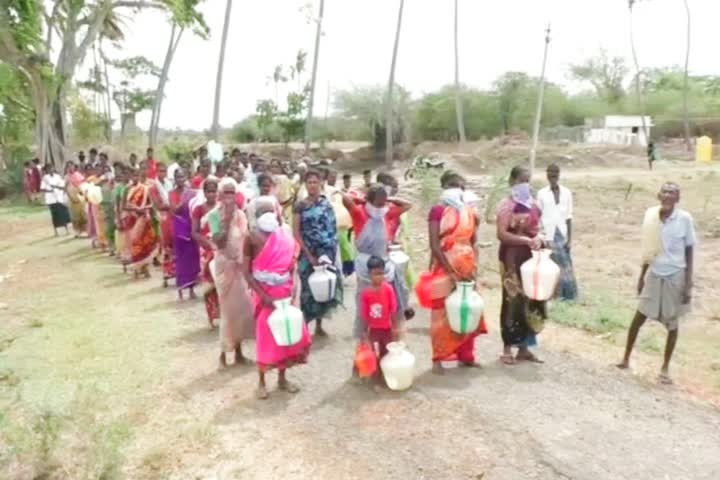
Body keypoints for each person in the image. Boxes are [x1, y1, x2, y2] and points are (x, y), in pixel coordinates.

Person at [617, 182, 695, 385]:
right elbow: (648, 248)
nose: (668, 195)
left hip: (675, 275)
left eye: (672, 193)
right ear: (658, 195)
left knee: (672, 323)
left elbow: (689, 250)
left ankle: (665, 369)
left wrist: (688, 283)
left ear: (677, 198)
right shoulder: (651, 217)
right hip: (654, 273)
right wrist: (641, 276)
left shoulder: (684, 219)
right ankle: (625, 358)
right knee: (639, 317)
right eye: (665, 191)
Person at [243, 200, 311, 400]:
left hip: (284, 293)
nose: (267, 214)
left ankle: (282, 378)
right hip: (264, 295)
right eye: (262, 211)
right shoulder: (250, 237)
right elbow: (245, 272)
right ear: (256, 215)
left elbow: (291, 265)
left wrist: (293, 287)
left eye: (270, 211)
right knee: (266, 337)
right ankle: (261, 382)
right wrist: (263, 296)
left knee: (287, 336)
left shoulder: (284, 235)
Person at [425, 171, 487, 373]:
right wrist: (449, 270)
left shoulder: (469, 212)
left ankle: (466, 355)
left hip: (467, 264)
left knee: (468, 308)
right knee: (442, 311)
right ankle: (440, 357)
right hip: (445, 264)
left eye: (460, 186)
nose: (456, 189)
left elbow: (474, 241)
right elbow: (435, 244)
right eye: (452, 185)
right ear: (443, 187)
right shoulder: (437, 211)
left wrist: (474, 266)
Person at [341, 184, 412, 345]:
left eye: (383, 204)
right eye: (377, 204)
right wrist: (361, 199)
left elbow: (408, 205)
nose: (381, 207)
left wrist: (389, 199)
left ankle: (390, 338)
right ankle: (363, 341)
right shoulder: (359, 214)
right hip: (365, 268)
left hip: (383, 266)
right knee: (365, 304)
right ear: (369, 202)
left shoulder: (386, 215)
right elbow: (345, 198)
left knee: (388, 302)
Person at [496, 166, 545, 365]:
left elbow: (538, 229)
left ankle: (524, 348)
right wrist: (524, 240)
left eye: (528, 180)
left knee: (532, 299)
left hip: (530, 257)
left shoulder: (534, 205)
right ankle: (507, 348)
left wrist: (539, 238)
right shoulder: (506, 206)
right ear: (512, 182)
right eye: (521, 181)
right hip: (511, 258)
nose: (525, 185)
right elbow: (501, 234)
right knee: (511, 300)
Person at [209, 179, 255, 368]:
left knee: (241, 310)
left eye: (232, 193)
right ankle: (223, 353)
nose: (229, 197)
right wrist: (226, 221)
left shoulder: (241, 216)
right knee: (227, 311)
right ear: (220, 195)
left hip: (238, 268)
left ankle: (239, 352)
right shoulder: (213, 216)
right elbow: (218, 243)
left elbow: (245, 242)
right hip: (223, 267)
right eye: (226, 193)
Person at [293, 170, 343, 337]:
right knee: (307, 289)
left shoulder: (325, 204)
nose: (312, 185)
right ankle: (306, 326)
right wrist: (309, 255)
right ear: (305, 185)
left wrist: (329, 253)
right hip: (308, 252)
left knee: (325, 288)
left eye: (315, 182)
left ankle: (319, 325)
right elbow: (296, 233)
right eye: (309, 182)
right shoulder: (300, 206)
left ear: (320, 183)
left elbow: (332, 229)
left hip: (325, 252)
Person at [537, 164, 577, 301]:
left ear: (559, 174)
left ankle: (569, 296)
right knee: (551, 266)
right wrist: (543, 237)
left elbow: (569, 217)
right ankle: (554, 295)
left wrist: (570, 239)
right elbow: (538, 217)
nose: (553, 175)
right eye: (550, 172)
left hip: (563, 234)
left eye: (555, 172)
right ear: (546, 174)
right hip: (548, 234)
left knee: (566, 266)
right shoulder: (541, 194)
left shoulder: (567, 192)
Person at [358, 256, 397, 378]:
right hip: (373, 330)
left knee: (387, 351)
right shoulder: (366, 293)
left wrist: (395, 328)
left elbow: (393, 309)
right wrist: (364, 332)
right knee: (374, 353)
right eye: (375, 274)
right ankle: (376, 375)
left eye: (381, 273)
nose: (378, 276)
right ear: (369, 274)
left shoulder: (388, 289)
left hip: (387, 328)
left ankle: (386, 374)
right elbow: (364, 315)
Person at [192, 179, 221, 327]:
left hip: (221, 248)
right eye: (209, 191)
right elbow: (195, 232)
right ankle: (211, 317)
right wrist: (208, 244)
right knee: (209, 282)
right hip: (206, 250)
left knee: (222, 282)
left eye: (214, 191)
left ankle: (223, 314)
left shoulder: (221, 208)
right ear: (204, 193)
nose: (212, 194)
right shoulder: (199, 209)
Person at [169, 170, 199, 300]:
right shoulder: (172, 193)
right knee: (181, 260)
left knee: (192, 259)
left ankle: (192, 289)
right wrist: (184, 200)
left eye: (183, 176)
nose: (181, 179)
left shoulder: (192, 192)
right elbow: (174, 209)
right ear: (175, 179)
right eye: (178, 177)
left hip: (191, 228)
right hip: (180, 230)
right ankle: (181, 290)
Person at [124, 167, 158, 279]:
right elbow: (124, 206)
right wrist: (135, 209)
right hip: (133, 220)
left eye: (137, 176)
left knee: (146, 244)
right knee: (135, 245)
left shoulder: (145, 189)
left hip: (144, 219)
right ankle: (136, 270)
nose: (135, 178)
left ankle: (146, 268)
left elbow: (151, 204)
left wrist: (144, 209)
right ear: (130, 176)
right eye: (133, 176)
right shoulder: (127, 189)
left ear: (140, 176)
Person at [149, 163, 175, 287]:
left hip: (172, 216)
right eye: (160, 171)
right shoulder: (153, 187)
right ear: (156, 172)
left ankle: (174, 270)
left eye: (164, 171)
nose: (163, 173)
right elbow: (157, 205)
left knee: (174, 244)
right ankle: (166, 272)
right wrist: (172, 206)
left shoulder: (169, 184)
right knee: (165, 245)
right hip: (162, 217)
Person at [40, 164, 70, 236]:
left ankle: (66, 229)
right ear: (46, 170)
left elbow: (62, 186)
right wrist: (50, 190)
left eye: (51, 168)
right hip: (51, 199)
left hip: (59, 197)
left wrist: (57, 187)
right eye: (48, 169)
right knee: (55, 215)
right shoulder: (45, 178)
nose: (50, 170)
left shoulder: (58, 176)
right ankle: (56, 231)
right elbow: (42, 188)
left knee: (63, 214)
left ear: (53, 168)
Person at [64, 162, 87, 237]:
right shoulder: (67, 177)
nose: (70, 168)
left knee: (83, 214)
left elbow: (83, 184)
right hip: (72, 197)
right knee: (74, 215)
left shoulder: (78, 174)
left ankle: (84, 230)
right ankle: (76, 231)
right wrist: (70, 197)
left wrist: (83, 195)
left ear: (74, 166)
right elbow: (66, 188)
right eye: (68, 166)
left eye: (71, 166)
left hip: (80, 196)